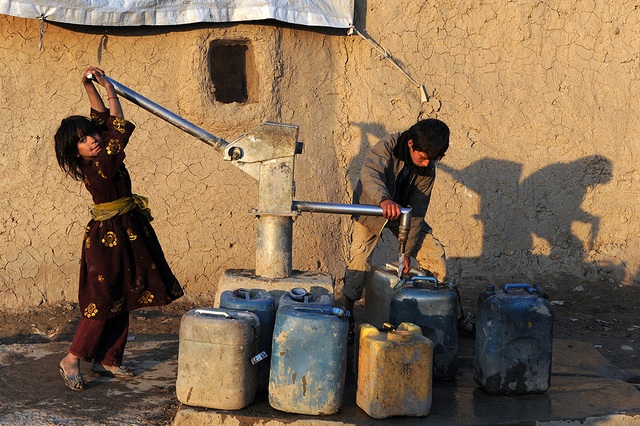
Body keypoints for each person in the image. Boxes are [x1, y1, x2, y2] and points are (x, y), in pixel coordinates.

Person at [54, 66, 184, 391]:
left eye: (91, 135)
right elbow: (116, 128)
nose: (93, 141)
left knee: (123, 293)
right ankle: (73, 358)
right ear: (76, 152)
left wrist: (88, 85)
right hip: (107, 239)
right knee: (101, 299)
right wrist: (111, 90)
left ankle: (108, 358)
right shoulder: (99, 166)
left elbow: (100, 120)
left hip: (125, 230)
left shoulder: (98, 155)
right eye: (82, 141)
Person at [343, 118, 450, 341]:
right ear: (410, 144)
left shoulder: (427, 168)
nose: (425, 164)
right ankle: (346, 316)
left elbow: (417, 210)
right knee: (358, 263)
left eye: (430, 160)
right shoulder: (386, 147)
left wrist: (407, 253)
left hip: (403, 215)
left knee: (435, 254)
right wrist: (384, 200)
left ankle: (439, 316)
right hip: (371, 208)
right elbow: (370, 174)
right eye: (422, 157)